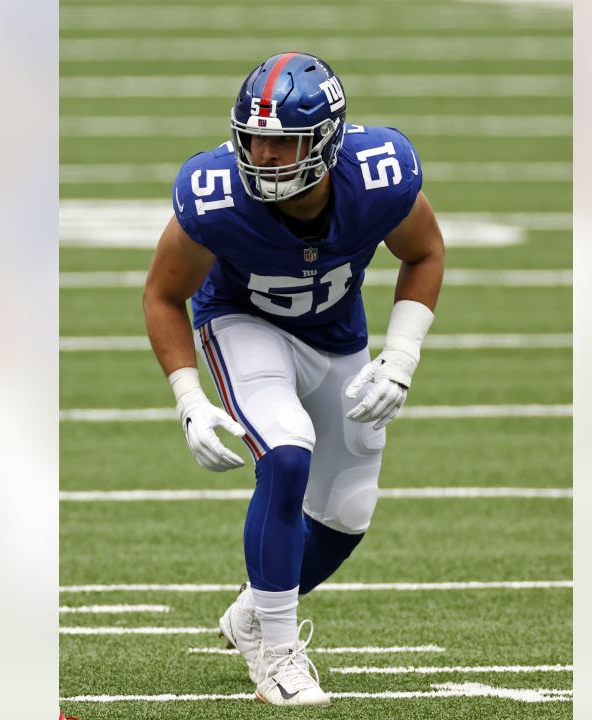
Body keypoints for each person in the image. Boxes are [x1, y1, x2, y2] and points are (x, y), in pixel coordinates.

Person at [142, 52, 445, 707]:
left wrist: (401, 357)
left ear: (327, 140)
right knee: (285, 452)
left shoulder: (381, 177)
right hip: (242, 324)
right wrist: (189, 399)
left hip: (336, 334)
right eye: (254, 138)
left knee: (348, 512)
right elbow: (165, 295)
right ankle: (277, 655)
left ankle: (254, 612)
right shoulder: (215, 197)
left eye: (282, 142)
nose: (263, 154)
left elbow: (424, 251)